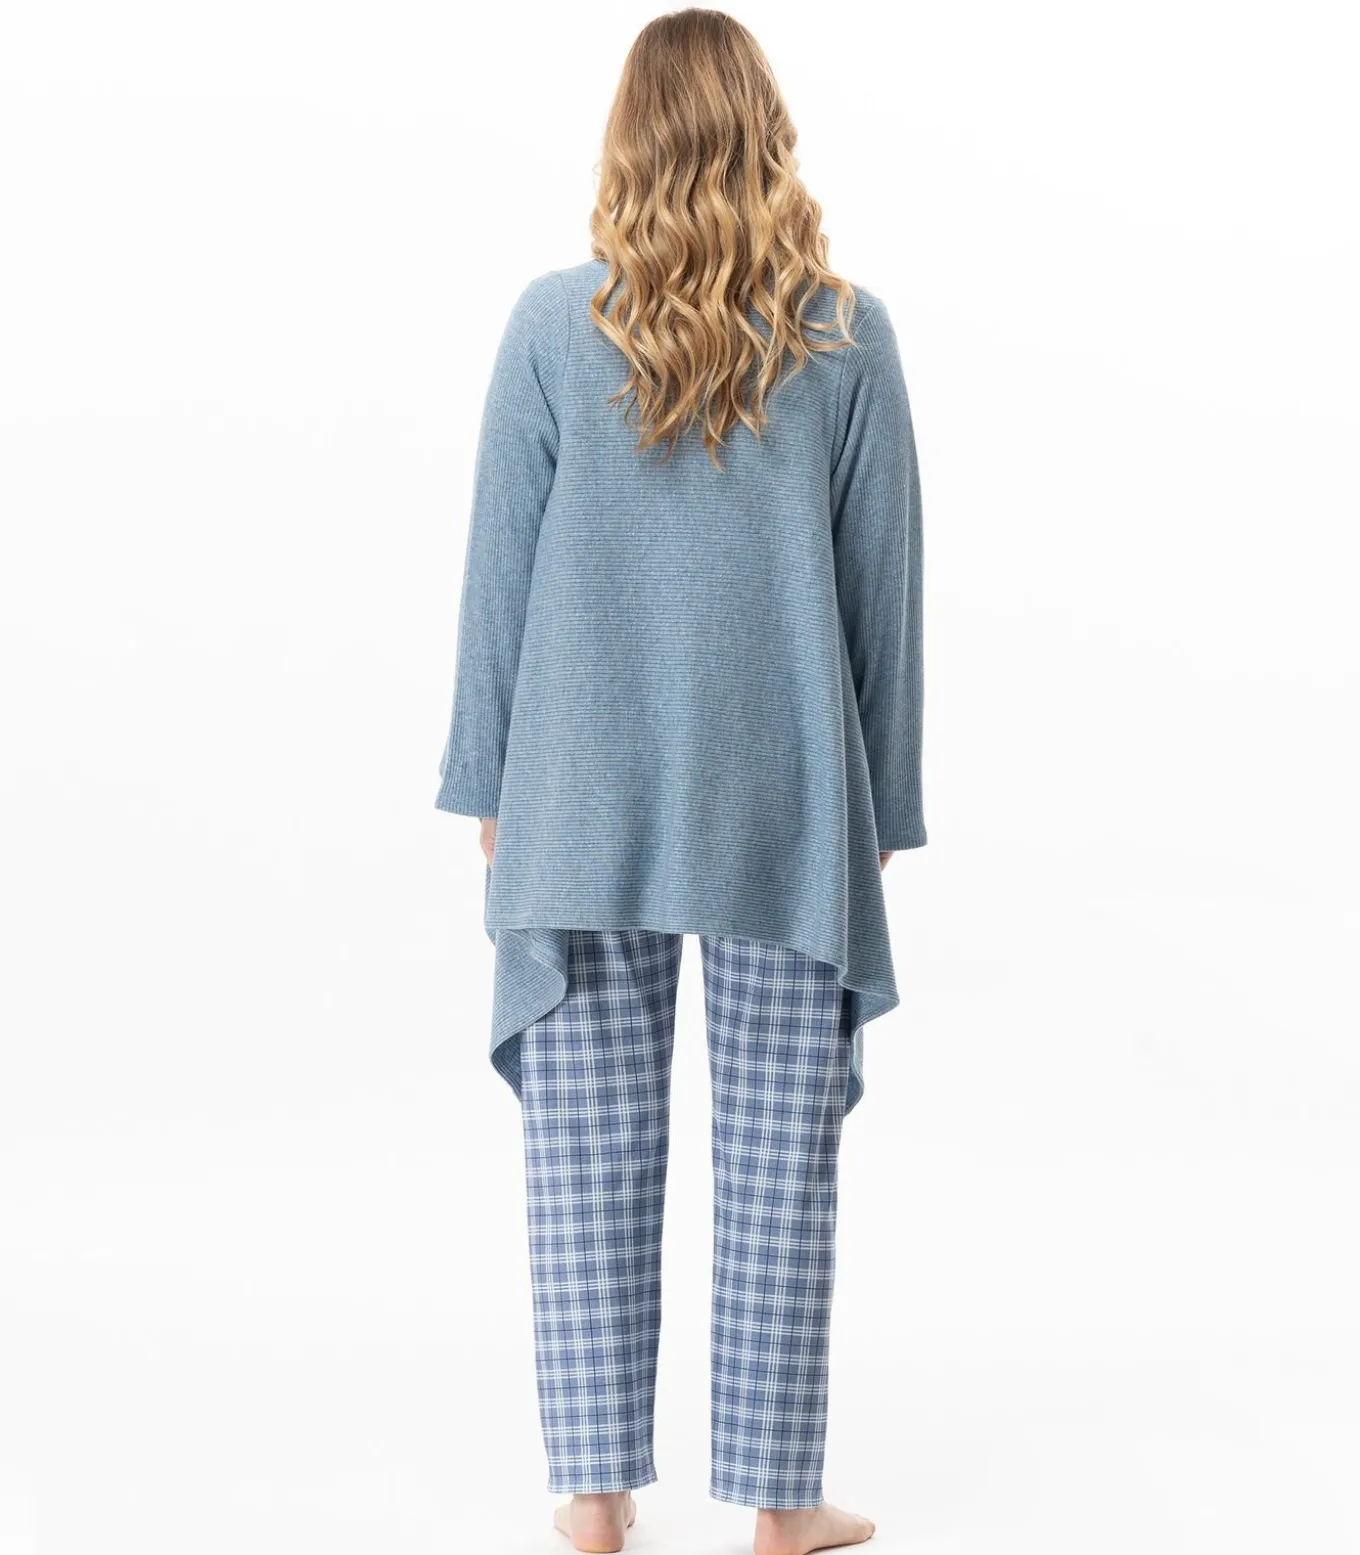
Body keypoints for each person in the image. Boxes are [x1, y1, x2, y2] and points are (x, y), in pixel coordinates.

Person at [435, 10, 925, 1552]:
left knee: (586, 1146)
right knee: (782, 1156)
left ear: (628, 139)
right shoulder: (846, 335)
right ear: (768, 136)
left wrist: (488, 783)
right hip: (787, 798)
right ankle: (781, 1505)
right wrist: (884, 806)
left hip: (580, 790)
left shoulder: (547, 325)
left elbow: (498, 583)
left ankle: (594, 1496)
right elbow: (884, 601)